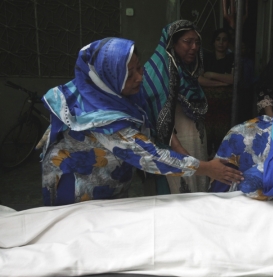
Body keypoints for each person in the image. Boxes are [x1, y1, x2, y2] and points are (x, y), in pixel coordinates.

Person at [40, 37, 243, 206]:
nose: (139, 78)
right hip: (79, 188)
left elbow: (148, 119)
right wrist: (208, 168)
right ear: (108, 77)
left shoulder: (109, 93)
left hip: (108, 181)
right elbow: (152, 157)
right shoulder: (104, 121)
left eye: (139, 68)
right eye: (129, 74)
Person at [143, 20, 210, 194]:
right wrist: (177, 147)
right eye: (188, 41)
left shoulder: (188, 72)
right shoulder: (157, 70)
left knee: (197, 187)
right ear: (172, 42)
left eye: (197, 42)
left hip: (194, 142)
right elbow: (156, 112)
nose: (194, 47)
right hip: (175, 144)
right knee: (178, 192)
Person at [199, 28, 235, 157]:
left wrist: (212, 74)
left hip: (225, 108)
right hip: (207, 107)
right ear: (213, 42)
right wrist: (222, 82)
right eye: (218, 39)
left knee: (223, 140)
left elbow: (233, 79)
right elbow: (200, 79)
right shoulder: (206, 58)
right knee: (206, 140)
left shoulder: (232, 58)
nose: (221, 43)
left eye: (224, 40)